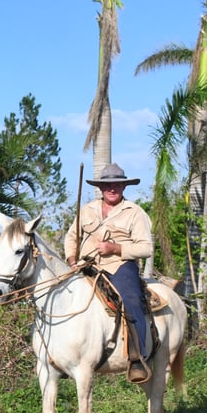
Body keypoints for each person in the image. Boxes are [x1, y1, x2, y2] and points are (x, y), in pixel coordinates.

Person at [64, 163, 154, 383]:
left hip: (119, 266)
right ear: (100, 188)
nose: (111, 188)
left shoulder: (134, 212)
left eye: (116, 184)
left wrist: (116, 249)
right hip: (86, 266)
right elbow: (71, 237)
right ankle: (62, 356)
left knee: (131, 300)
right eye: (106, 185)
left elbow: (146, 248)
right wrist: (73, 260)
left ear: (124, 186)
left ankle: (137, 357)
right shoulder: (87, 210)